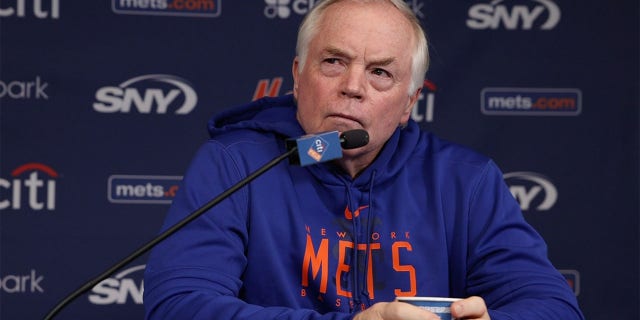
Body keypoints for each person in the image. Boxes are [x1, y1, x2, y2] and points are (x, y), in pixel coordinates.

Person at [143, 0, 585, 319]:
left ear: (410, 101)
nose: (353, 86)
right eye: (334, 61)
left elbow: (553, 307)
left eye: (380, 72)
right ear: (298, 77)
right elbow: (179, 305)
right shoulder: (237, 165)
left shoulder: (464, 181)